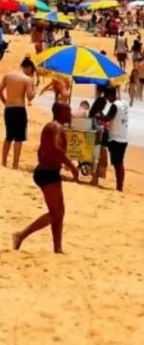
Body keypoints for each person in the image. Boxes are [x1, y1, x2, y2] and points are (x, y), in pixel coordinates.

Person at [13, 102, 78, 253]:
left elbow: (42, 150)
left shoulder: (54, 127)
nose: (70, 113)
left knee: (58, 212)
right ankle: (20, 235)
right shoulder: (55, 126)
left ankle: (57, 248)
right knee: (56, 213)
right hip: (47, 172)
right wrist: (71, 166)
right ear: (60, 112)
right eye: (68, 110)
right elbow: (55, 148)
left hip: (49, 171)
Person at [1, 57, 36, 169]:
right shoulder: (27, 79)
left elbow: (0, 90)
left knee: (8, 136)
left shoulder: (8, 75)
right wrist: (34, 87)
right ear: (29, 68)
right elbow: (29, 97)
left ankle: (3, 162)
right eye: (31, 71)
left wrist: (5, 101)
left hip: (8, 109)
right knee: (19, 138)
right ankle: (15, 164)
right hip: (19, 109)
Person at [101, 85, 129, 192]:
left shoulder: (114, 106)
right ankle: (119, 186)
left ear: (111, 95)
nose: (107, 99)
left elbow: (108, 118)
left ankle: (119, 187)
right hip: (123, 136)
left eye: (107, 96)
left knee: (118, 164)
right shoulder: (124, 103)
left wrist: (99, 116)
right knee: (119, 163)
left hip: (115, 138)